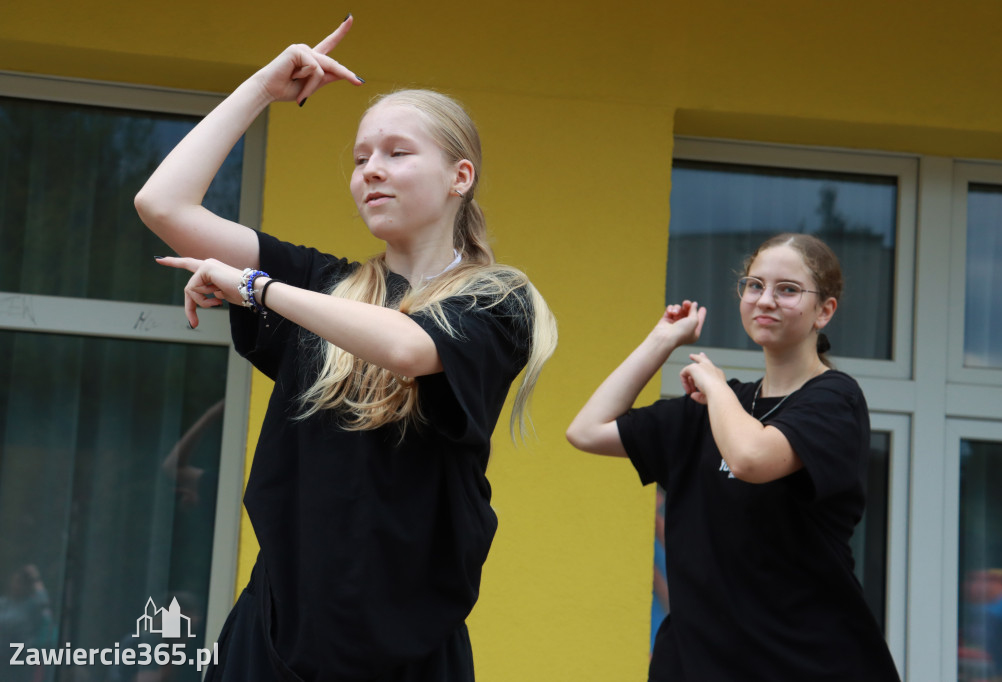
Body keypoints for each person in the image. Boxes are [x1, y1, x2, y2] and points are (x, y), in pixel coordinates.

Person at [134, 15, 557, 682]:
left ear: (460, 176)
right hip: (274, 636)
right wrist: (261, 89)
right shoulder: (322, 284)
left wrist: (255, 288)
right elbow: (163, 203)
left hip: (408, 648)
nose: (370, 172)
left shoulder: (498, 302)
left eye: (396, 152)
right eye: (360, 158)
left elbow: (411, 348)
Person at [566, 233, 900, 681]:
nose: (765, 300)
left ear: (825, 311)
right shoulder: (712, 409)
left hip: (802, 662)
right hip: (695, 662)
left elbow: (750, 458)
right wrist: (662, 341)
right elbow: (586, 430)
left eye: (787, 289)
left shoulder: (834, 399)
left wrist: (717, 387)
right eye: (754, 285)